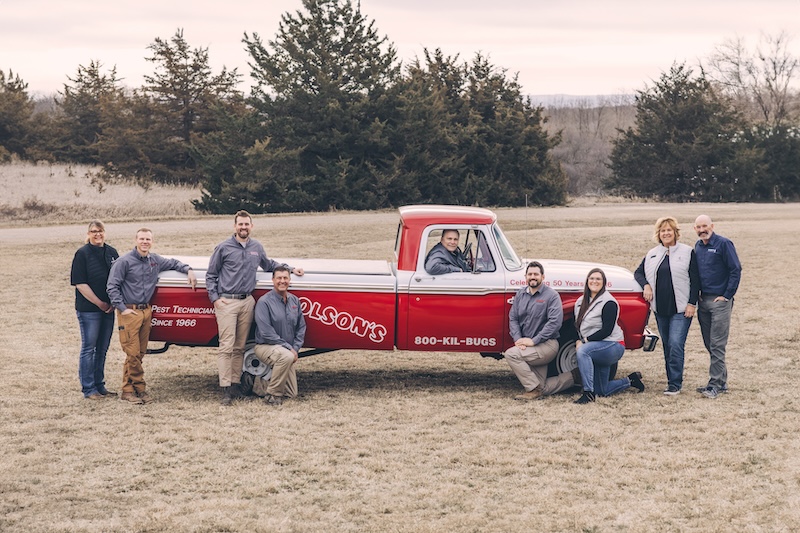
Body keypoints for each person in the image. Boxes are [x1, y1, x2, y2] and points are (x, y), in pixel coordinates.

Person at [206, 210, 304, 406]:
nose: (243, 227)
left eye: (246, 224)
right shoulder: (223, 247)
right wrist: (215, 299)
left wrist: (290, 269)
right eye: (240, 224)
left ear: (252, 226)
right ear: (235, 227)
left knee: (240, 346)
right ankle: (225, 389)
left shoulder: (256, 247)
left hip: (247, 301)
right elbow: (211, 275)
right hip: (227, 301)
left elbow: (269, 265)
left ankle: (235, 384)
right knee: (226, 346)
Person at [107, 228, 197, 404]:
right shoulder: (123, 262)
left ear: (152, 241)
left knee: (139, 354)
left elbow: (173, 263)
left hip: (146, 311)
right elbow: (112, 286)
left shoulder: (155, 260)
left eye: (148, 239)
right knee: (132, 353)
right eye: (142, 239)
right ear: (136, 240)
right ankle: (140, 388)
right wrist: (122, 308)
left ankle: (127, 390)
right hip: (129, 311)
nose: (145, 242)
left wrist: (189, 270)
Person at [634, 217, 700, 396]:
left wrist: (691, 303)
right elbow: (638, 273)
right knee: (667, 345)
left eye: (669, 230)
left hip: (681, 309)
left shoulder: (687, 252)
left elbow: (695, 280)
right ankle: (672, 380)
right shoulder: (652, 254)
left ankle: (675, 384)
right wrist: (646, 285)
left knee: (676, 344)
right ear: (659, 234)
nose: (666, 233)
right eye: (663, 230)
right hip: (661, 309)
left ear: (675, 232)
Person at [504, 261, 580, 400]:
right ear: (525, 276)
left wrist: (534, 341)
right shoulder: (521, 294)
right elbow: (513, 318)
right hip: (527, 346)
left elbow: (554, 323)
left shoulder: (551, 295)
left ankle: (532, 389)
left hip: (547, 345)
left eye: (536, 274)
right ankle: (575, 376)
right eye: (530, 274)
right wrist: (518, 340)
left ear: (543, 277)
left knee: (511, 354)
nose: (533, 277)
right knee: (542, 387)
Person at [573, 268, 645, 404]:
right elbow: (576, 325)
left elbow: (607, 330)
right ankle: (631, 380)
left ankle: (588, 393)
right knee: (602, 390)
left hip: (612, 345)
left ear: (604, 283)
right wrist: (579, 339)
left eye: (598, 279)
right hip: (596, 347)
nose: (594, 281)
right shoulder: (580, 302)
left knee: (583, 351)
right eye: (592, 278)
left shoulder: (609, 302)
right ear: (587, 281)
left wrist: (584, 341)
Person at [693, 215, 742, 399]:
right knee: (709, 343)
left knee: (717, 344)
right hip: (703, 301)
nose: (702, 229)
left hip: (720, 302)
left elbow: (735, 270)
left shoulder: (723, 244)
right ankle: (722, 382)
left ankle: (714, 385)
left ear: (712, 226)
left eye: (704, 225)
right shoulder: (698, 246)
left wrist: (727, 296)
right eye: (698, 227)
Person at [70, 220, 120, 400]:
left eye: (100, 231)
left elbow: (119, 277)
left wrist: (114, 302)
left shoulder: (112, 252)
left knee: (102, 349)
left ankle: (100, 385)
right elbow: (80, 284)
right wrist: (100, 303)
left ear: (104, 232)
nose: (97, 234)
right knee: (89, 348)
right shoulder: (82, 254)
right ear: (88, 234)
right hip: (89, 310)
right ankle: (89, 389)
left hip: (109, 309)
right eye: (93, 231)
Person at [253, 266, 306, 406]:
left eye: (285, 278)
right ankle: (273, 395)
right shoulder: (264, 302)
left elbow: (301, 327)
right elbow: (266, 332)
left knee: (291, 393)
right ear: (273, 280)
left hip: (287, 351)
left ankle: (253, 383)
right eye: (279, 278)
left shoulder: (295, 301)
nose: (282, 281)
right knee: (286, 357)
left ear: (289, 280)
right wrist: (290, 349)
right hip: (265, 346)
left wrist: (295, 348)